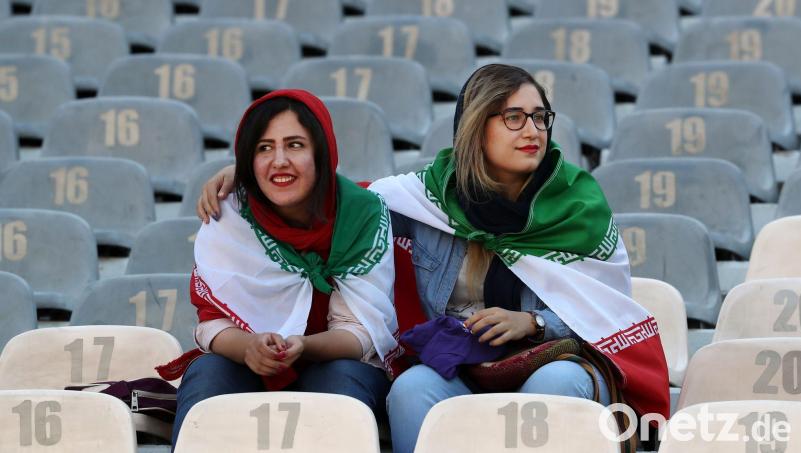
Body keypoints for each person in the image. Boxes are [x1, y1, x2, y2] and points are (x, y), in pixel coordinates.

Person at [197, 65, 670, 453]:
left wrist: (533, 324)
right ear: (475, 126)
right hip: (461, 366)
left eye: (540, 117)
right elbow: (339, 205)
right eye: (513, 118)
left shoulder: (578, 207)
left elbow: (603, 311)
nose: (532, 130)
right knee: (411, 389)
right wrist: (251, 174)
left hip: (557, 361)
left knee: (556, 382)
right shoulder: (426, 199)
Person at [168, 89, 402, 447]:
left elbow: (360, 334)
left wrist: (302, 346)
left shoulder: (361, 214)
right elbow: (210, 324)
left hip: (335, 359)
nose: (278, 160)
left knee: (340, 379)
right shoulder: (230, 211)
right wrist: (248, 347)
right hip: (249, 360)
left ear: (322, 154)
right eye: (263, 148)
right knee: (209, 372)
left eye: (294, 145)